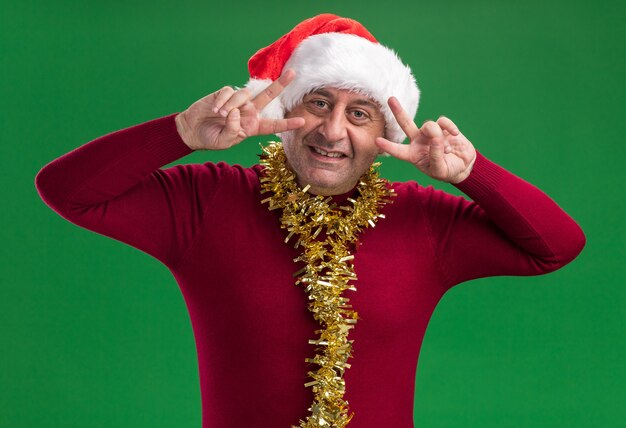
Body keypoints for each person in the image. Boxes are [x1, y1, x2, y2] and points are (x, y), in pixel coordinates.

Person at [35, 13, 585, 428]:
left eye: (360, 114)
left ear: (384, 136)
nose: (333, 130)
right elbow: (67, 192)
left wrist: (473, 175)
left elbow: (556, 246)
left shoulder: (420, 218)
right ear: (281, 116)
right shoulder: (208, 200)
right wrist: (179, 131)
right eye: (318, 103)